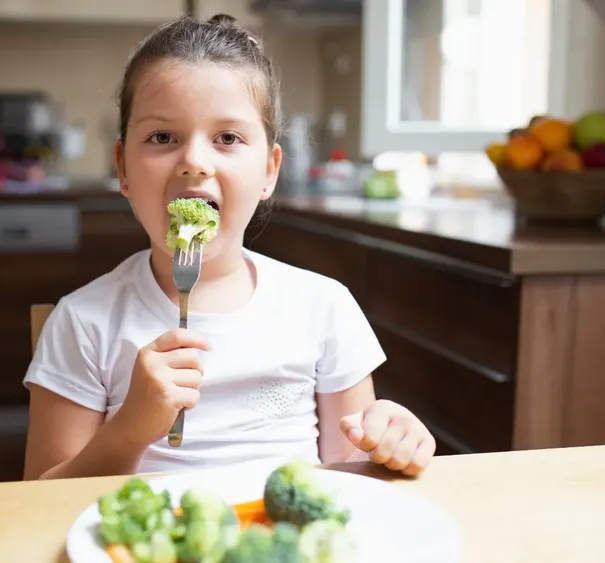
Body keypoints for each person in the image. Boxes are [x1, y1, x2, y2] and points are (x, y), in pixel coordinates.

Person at [22, 13, 435, 481]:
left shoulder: (324, 308)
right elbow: (41, 499)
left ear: (269, 170)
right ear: (122, 167)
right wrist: (129, 430)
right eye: (162, 137)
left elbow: (349, 477)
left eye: (227, 138)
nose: (195, 161)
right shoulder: (83, 322)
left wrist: (388, 443)